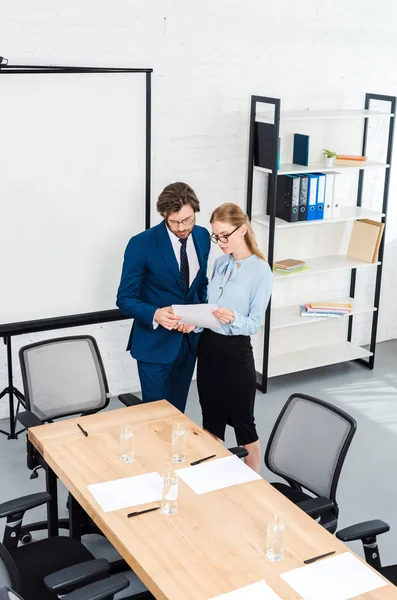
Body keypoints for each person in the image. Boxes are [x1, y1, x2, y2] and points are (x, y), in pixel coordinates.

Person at [117, 182, 210, 413]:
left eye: (188, 220)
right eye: (175, 221)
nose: (182, 227)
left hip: (188, 344)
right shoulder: (141, 244)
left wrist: (196, 317)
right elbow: (125, 298)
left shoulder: (202, 236)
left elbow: (201, 285)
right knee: (155, 418)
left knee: (178, 414)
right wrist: (156, 314)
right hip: (154, 345)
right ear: (163, 215)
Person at [197, 203, 272, 473]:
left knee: (243, 422)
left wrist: (233, 319)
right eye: (216, 236)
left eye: (225, 235)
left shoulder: (261, 271)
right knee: (211, 419)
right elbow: (210, 310)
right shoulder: (219, 263)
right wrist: (193, 322)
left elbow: (254, 324)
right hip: (208, 349)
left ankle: (254, 485)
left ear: (243, 229)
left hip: (236, 352)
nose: (220, 242)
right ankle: (215, 477)